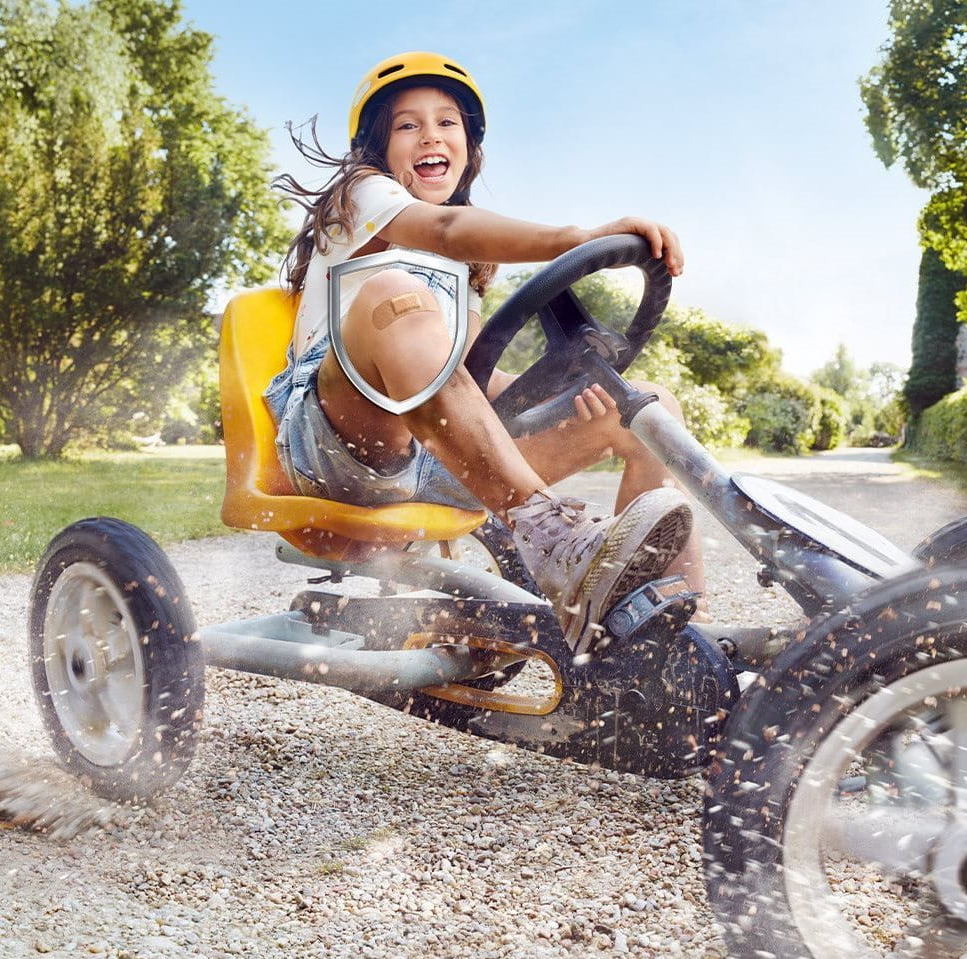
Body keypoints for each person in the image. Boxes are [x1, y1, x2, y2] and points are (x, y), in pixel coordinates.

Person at [266, 52, 705, 656]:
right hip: (336, 447)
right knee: (394, 294)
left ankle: (661, 639)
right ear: (377, 148)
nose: (431, 135)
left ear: (470, 147)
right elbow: (444, 229)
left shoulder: (465, 266)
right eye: (407, 125)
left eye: (448, 122)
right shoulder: (362, 198)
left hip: (439, 457)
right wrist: (579, 238)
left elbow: (475, 375)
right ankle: (551, 535)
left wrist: (564, 392)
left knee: (647, 409)